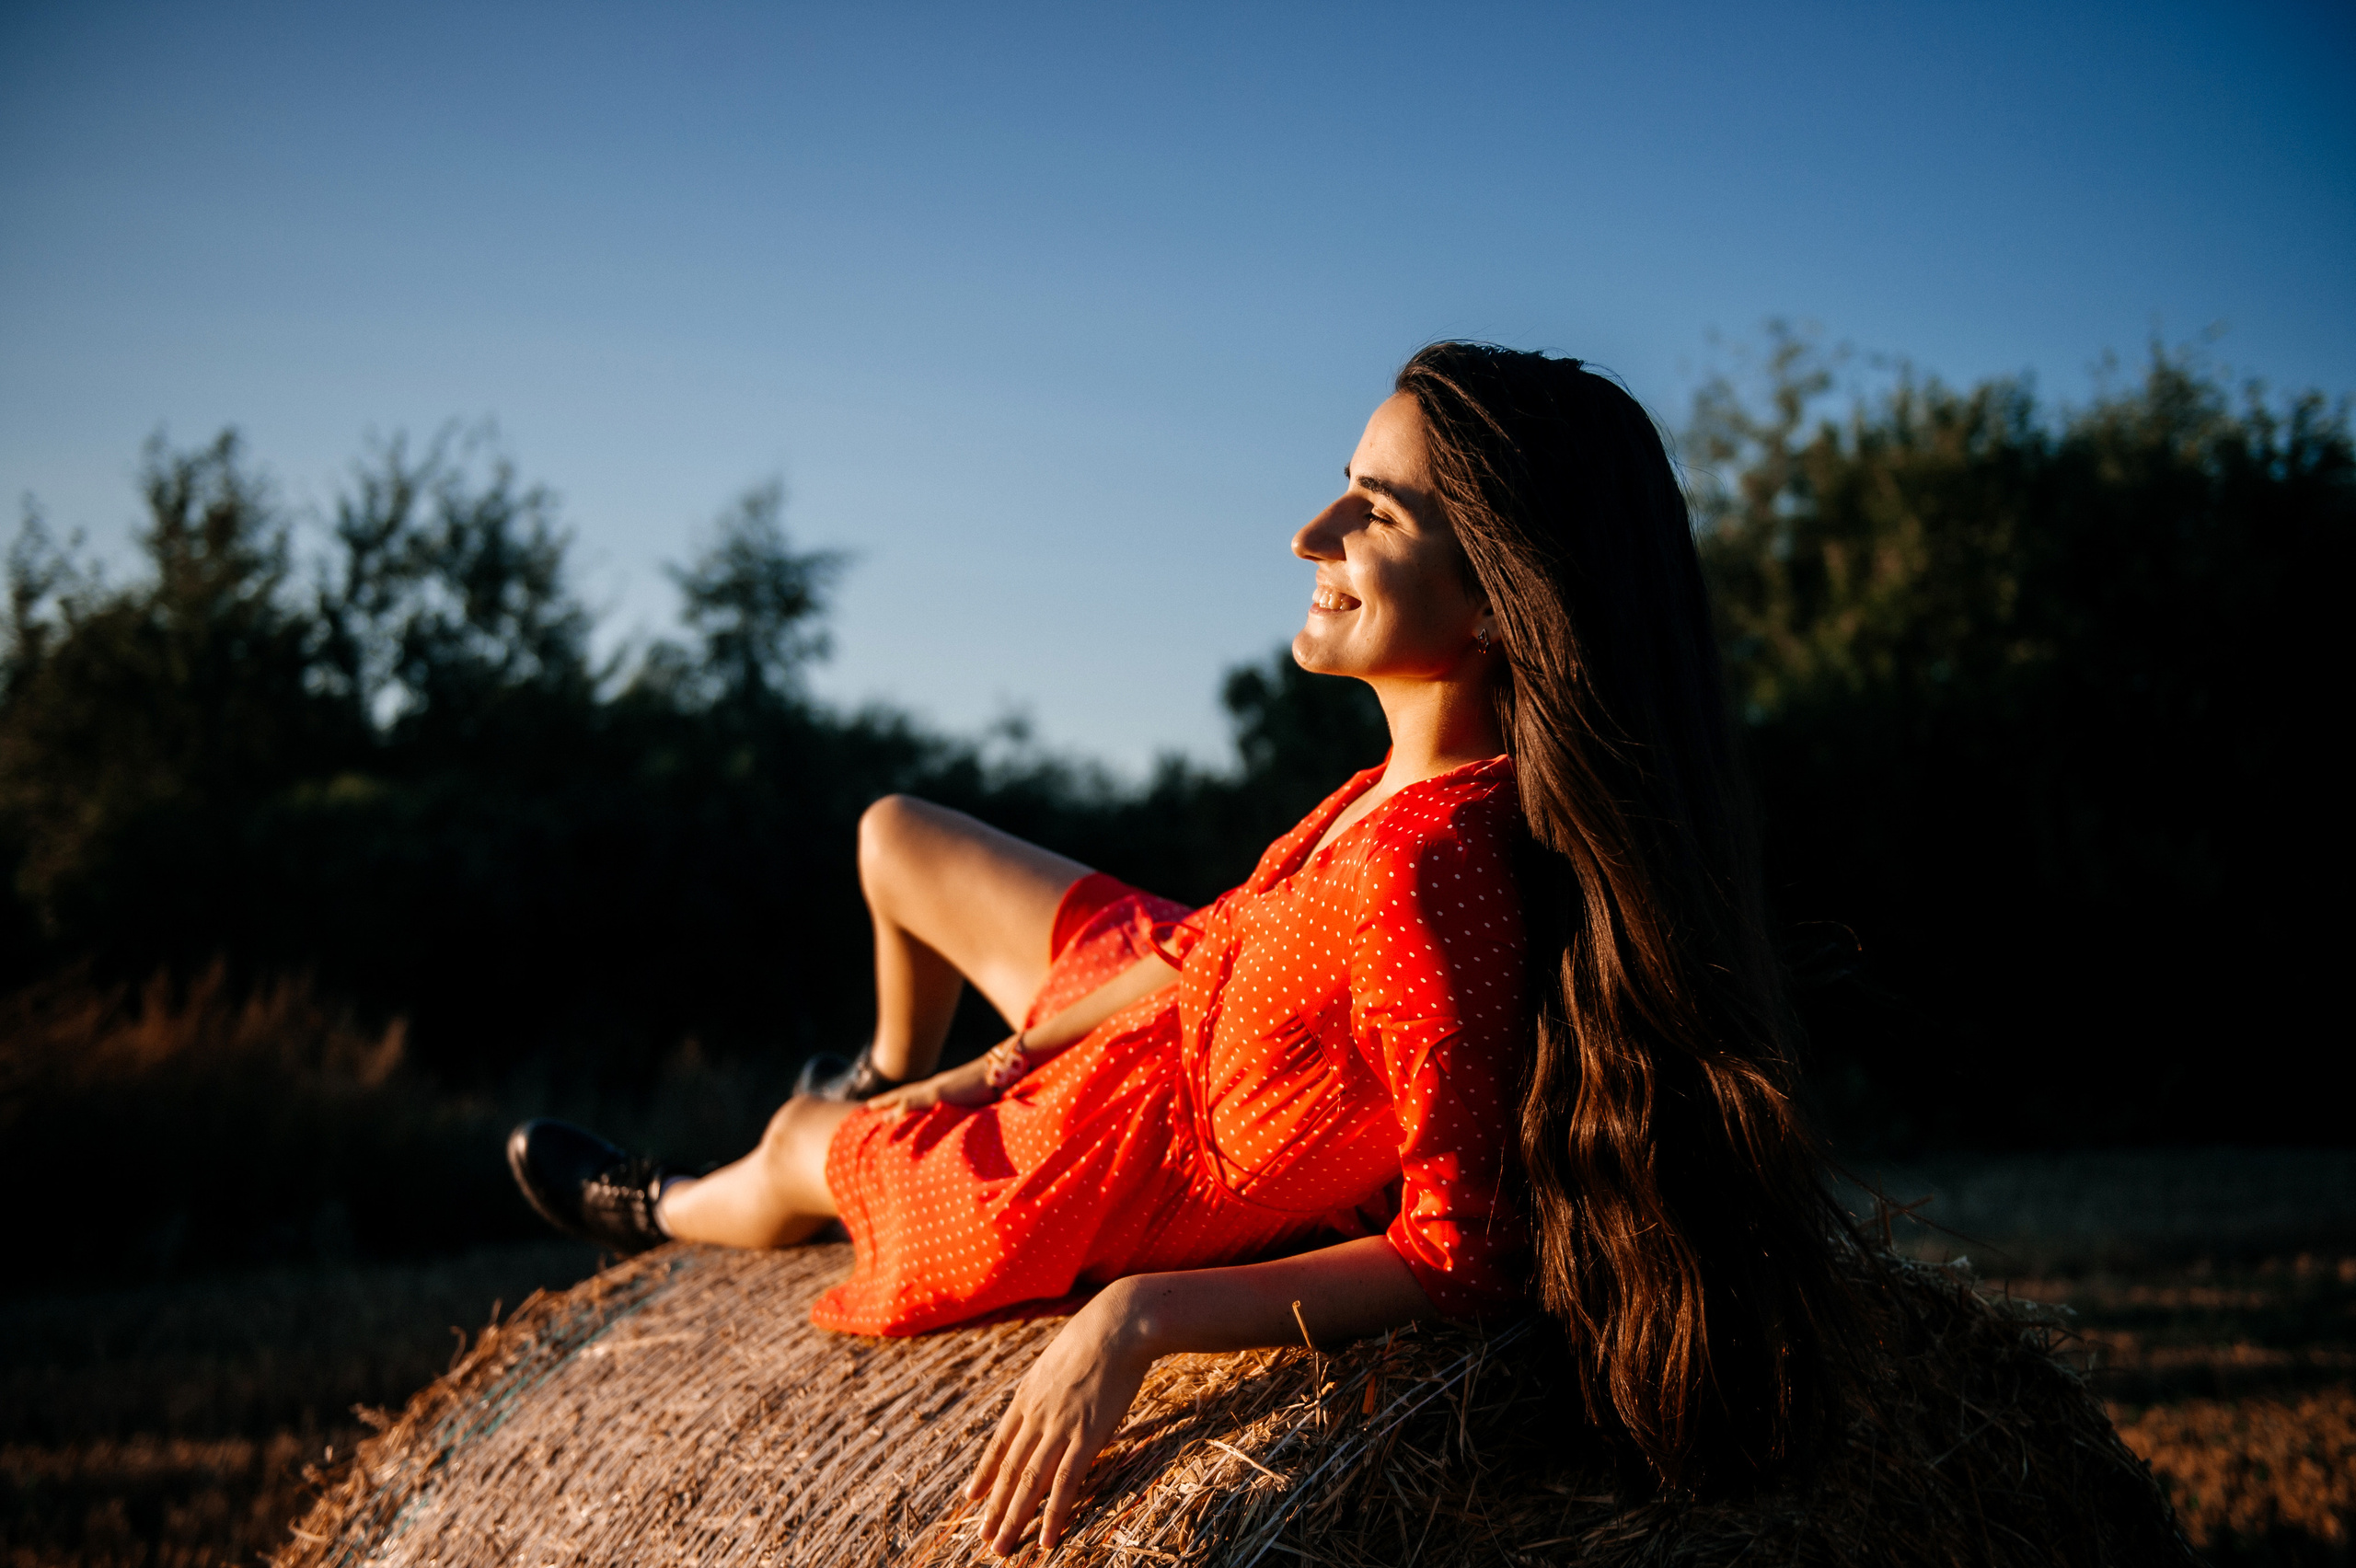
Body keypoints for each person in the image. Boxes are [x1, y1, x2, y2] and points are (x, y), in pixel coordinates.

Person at [508, 343, 1861, 1554]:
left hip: (1104, 1168)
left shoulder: (1428, 880)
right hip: (1181, 987)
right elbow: (1227, 933)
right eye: (1343, 484)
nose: (1308, 532)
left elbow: (1459, 1255)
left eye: (1372, 513)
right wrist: (1004, 1056)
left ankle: (666, 1202)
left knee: (802, 1142)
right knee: (895, 836)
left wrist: (1140, 1315)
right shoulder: (1403, 794)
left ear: (1500, 597)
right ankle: (883, 1064)